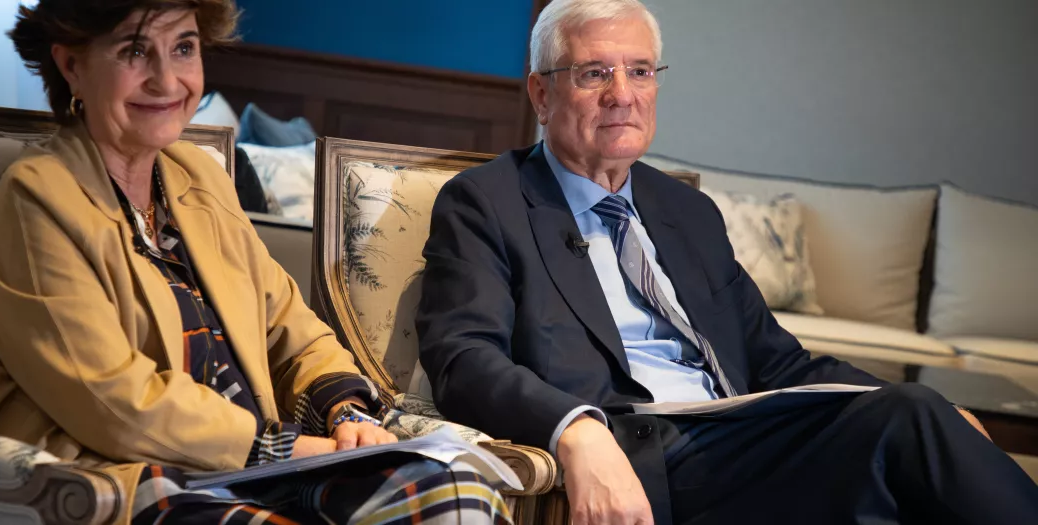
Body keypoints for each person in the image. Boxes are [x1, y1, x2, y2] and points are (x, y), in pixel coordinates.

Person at [415, 1, 1038, 524]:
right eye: (594, 73)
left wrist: (937, 418)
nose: (622, 95)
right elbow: (464, 356)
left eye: (640, 71)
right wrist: (575, 430)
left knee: (911, 431)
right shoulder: (488, 201)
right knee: (905, 431)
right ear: (541, 93)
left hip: (740, 434)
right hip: (640, 445)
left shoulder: (685, 210)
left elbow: (778, 360)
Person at [0, 1, 512, 523]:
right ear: (71, 65)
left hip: (259, 468)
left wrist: (346, 412)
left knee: (459, 493)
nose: (167, 80)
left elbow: (288, 325)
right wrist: (280, 449)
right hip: (124, 475)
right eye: (134, 51)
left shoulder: (197, 175)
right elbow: (111, 400)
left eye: (183, 48)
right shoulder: (40, 196)